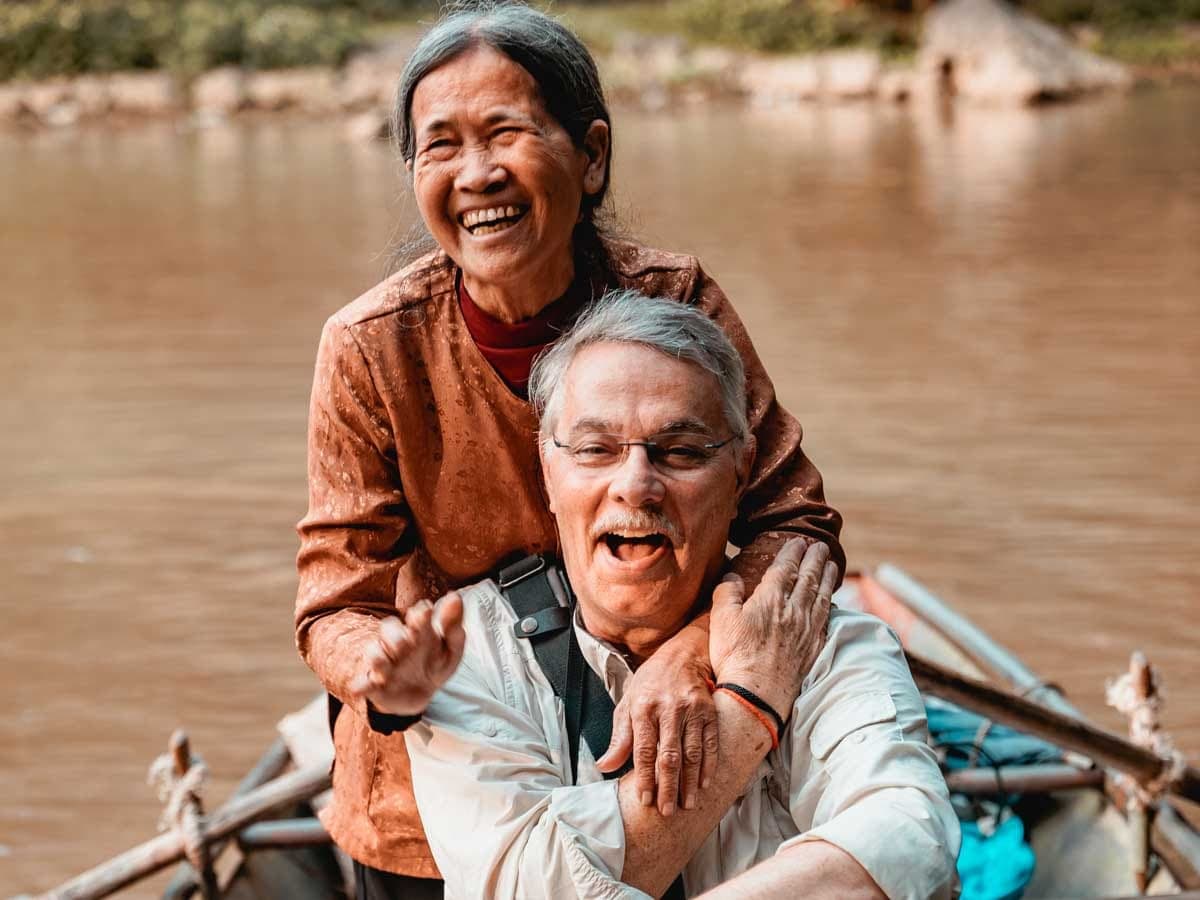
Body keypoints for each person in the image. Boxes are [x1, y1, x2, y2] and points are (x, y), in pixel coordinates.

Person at [294, 2, 844, 893]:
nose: (476, 175)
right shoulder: (371, 346)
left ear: (590, 156)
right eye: (440, 146)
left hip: (663, 748)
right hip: (443, 794)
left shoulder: (676, 300)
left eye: (506, 133)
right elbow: (333, 603)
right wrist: (383, 672)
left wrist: (693, 650)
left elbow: (798, 523)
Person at [400, 290, 960, 899]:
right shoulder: (469, 651)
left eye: (682, 451)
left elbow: (909, 840)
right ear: (547, 470)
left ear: (743, 470)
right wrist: (750, 712)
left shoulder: (817, 638)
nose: (636, 485)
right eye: (595, 450)